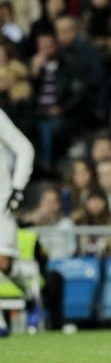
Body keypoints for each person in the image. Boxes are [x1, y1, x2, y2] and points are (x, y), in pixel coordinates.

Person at [0, 108, 36, 337]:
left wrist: (18, 188)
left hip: (1, 202)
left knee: (5, 264)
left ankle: (29, 294)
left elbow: (24, 148)